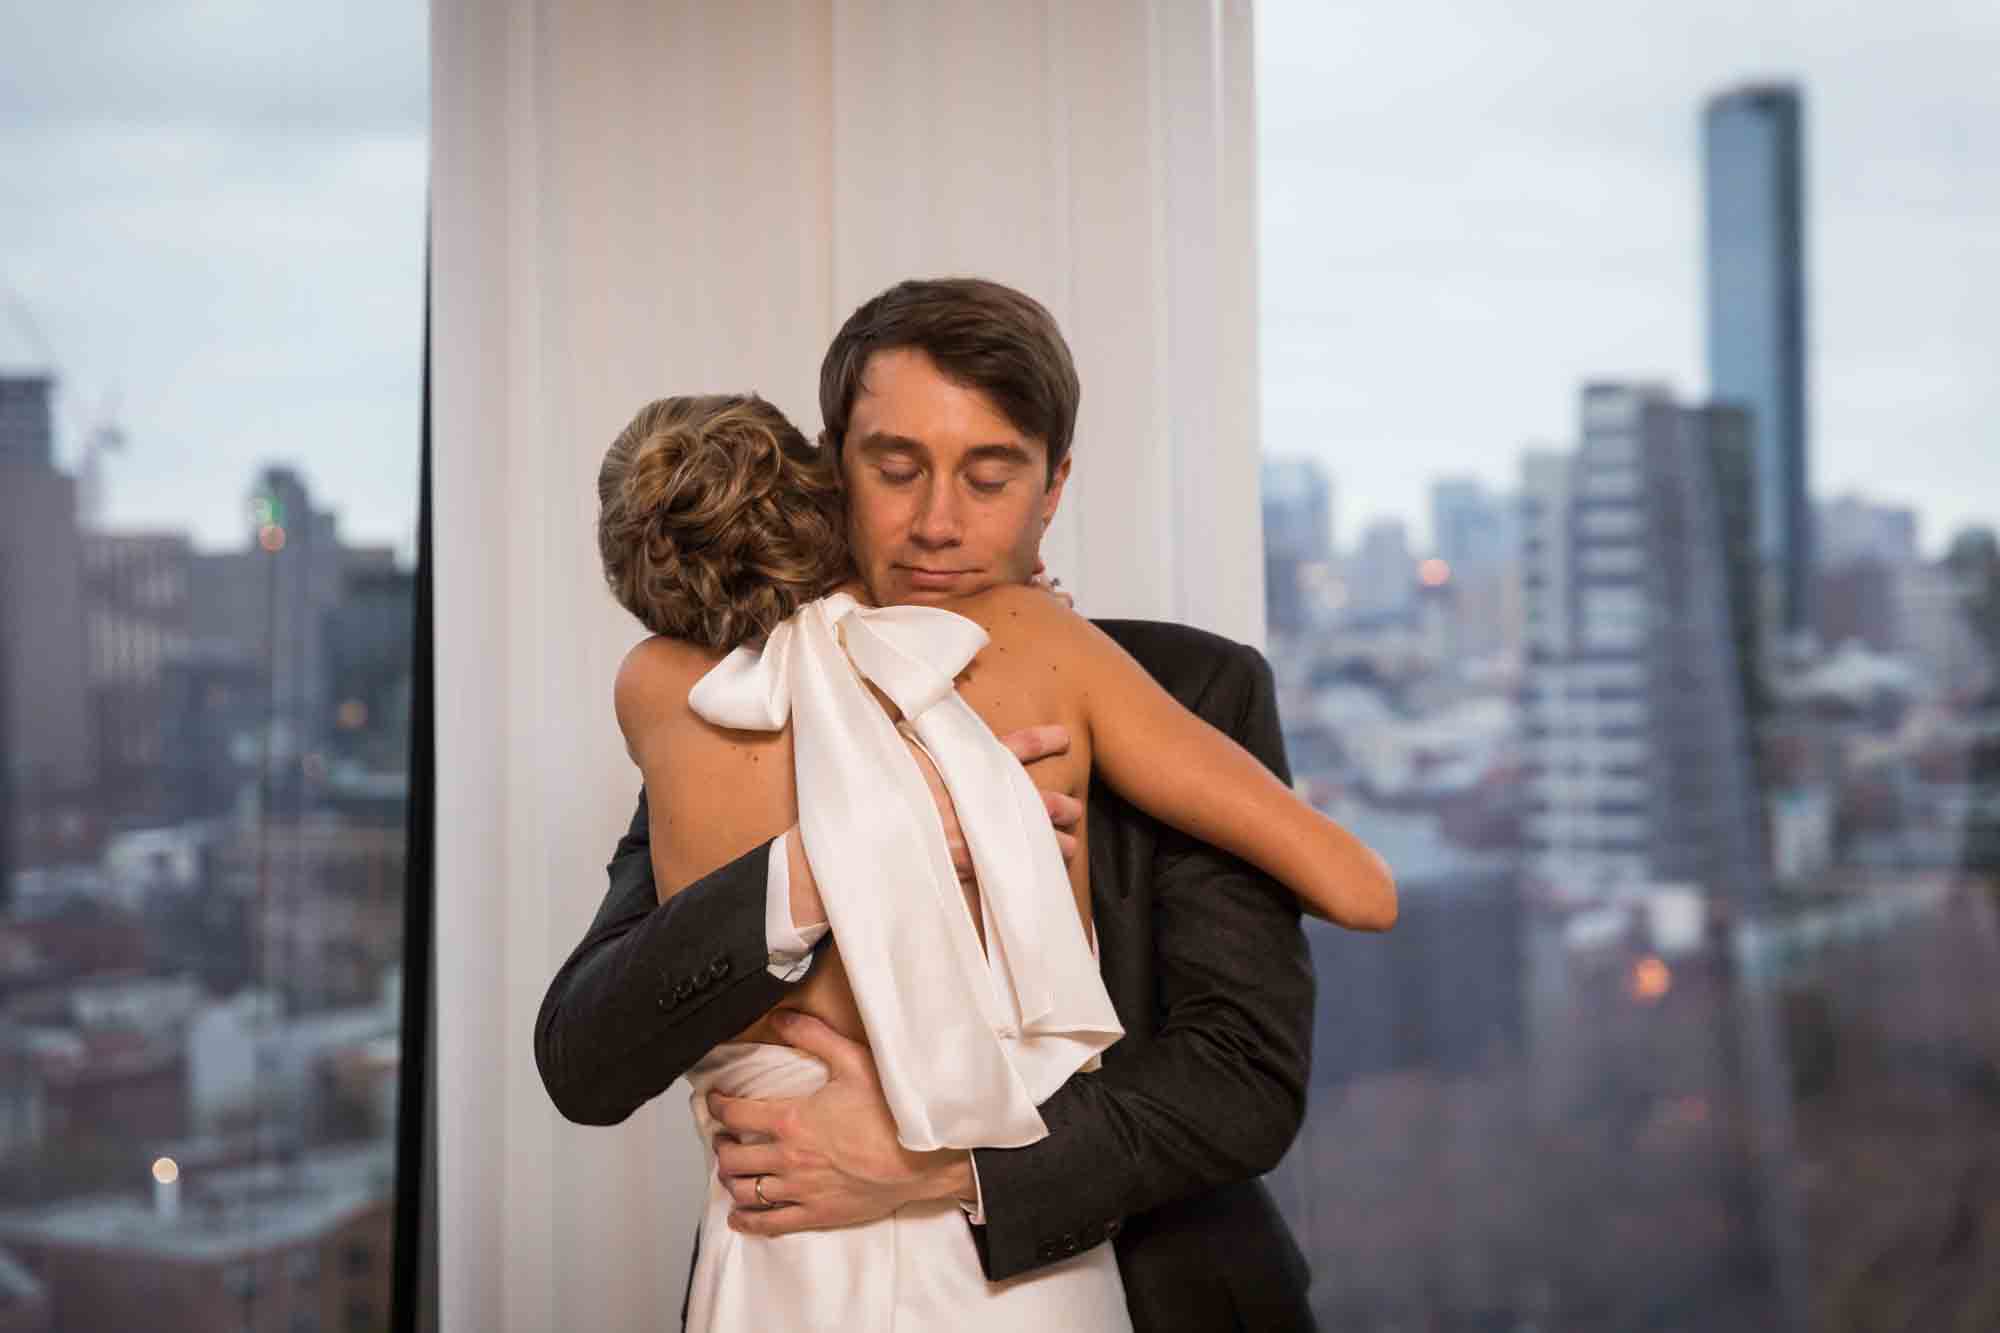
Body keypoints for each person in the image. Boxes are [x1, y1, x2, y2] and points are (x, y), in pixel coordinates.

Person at [537, 278, 1340, 1331]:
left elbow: (1243, 1081)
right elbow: (584, 1057)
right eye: (895, 467)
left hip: (1150, 1297)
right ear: (832, 471)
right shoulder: (740, 702)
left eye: (990, 475)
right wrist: (819, 869)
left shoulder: (1195, 689)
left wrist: (937, 1162)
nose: (936, 525)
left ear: (1051, 490)